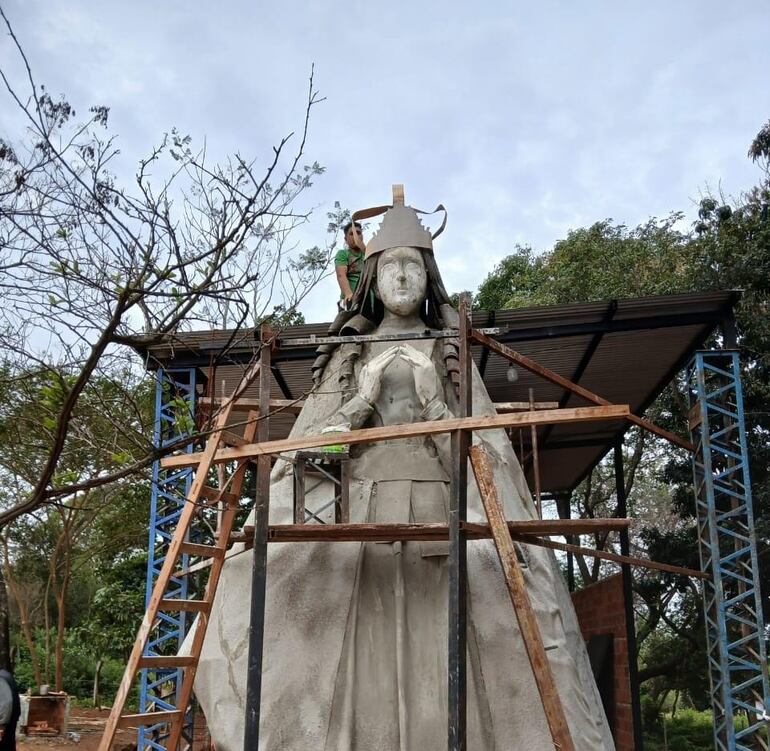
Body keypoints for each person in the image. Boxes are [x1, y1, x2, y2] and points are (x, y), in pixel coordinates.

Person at [193, 189, 613, 750]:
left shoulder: (449, 351)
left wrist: (434, 405)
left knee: (448, 647)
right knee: (340, 641)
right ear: (371, 279)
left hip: (441, 514)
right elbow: (318, 456)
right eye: (390, 266)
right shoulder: (351, 352)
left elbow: (479, 455)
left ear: (429, 276)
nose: (401, 277)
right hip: (360, 522)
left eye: (412, 266)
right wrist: (359, 404)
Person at [334, 221, 365, 309]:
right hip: (351, 302)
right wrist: (348, 294)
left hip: (371, 301)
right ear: (346, 239)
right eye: (352, 234)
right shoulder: (343, 254)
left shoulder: (369, 255)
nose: (356, 236)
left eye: (358, 233)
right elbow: (341, 275)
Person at [0, 669, 20, 751]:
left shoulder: (1, 678)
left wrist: (1, 724)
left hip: (4, 722)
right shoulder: (5, 674)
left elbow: (6, 702)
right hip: (10, 719)